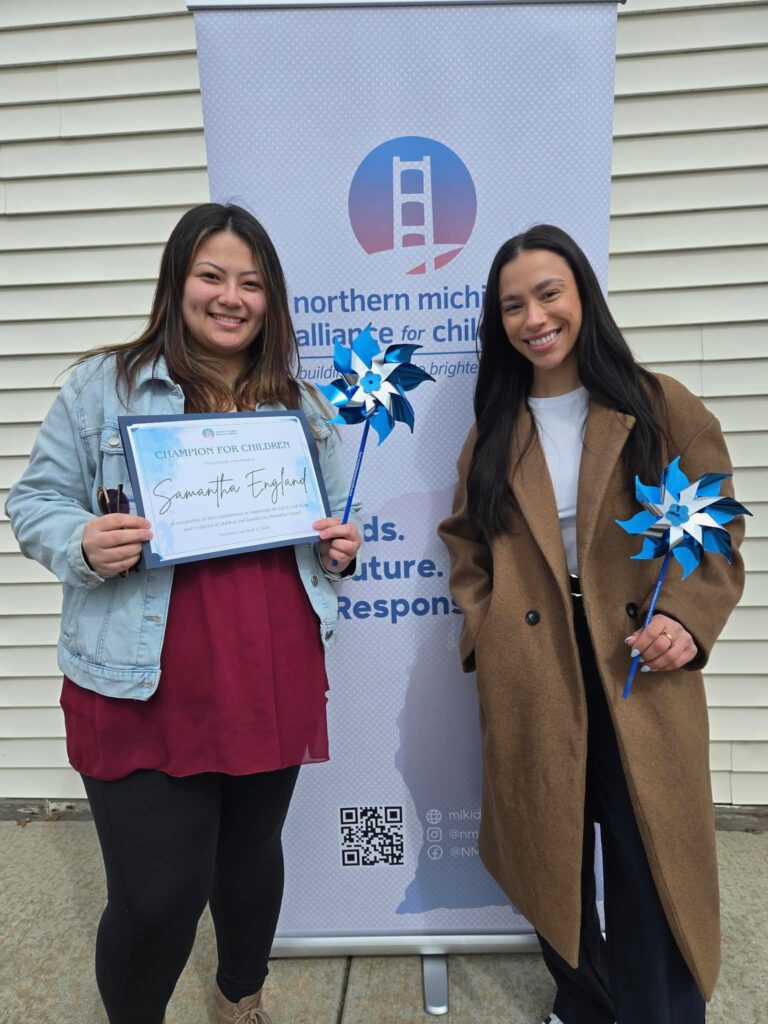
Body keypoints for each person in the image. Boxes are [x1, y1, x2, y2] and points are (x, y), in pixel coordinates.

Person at [6, 203, 362, 1024]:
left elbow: (327, 534)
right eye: (212, 275)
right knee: (160, 894)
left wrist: (342, 549)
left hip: (271, 667)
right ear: (179, 282)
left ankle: (240, 997)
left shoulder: (301, 406)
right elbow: (34, 504)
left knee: (247, 862)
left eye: (251, 281)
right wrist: (84, 541)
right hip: (142, 676)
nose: (231, 296)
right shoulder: (105, 385)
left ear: (271, 299)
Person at [438, 225, 745, 1024]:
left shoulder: (658, 404)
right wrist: (486, 631)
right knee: (553, 854)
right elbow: (467, 546)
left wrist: (686, 615)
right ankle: (583, 1003)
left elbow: (715, 531)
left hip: (638, 663)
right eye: (512, 306)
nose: (533, 318)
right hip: (535, 670)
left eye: (548, 294)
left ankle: (662, 1012)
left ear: (582, 297)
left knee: (653, 865)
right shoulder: (495, 428)